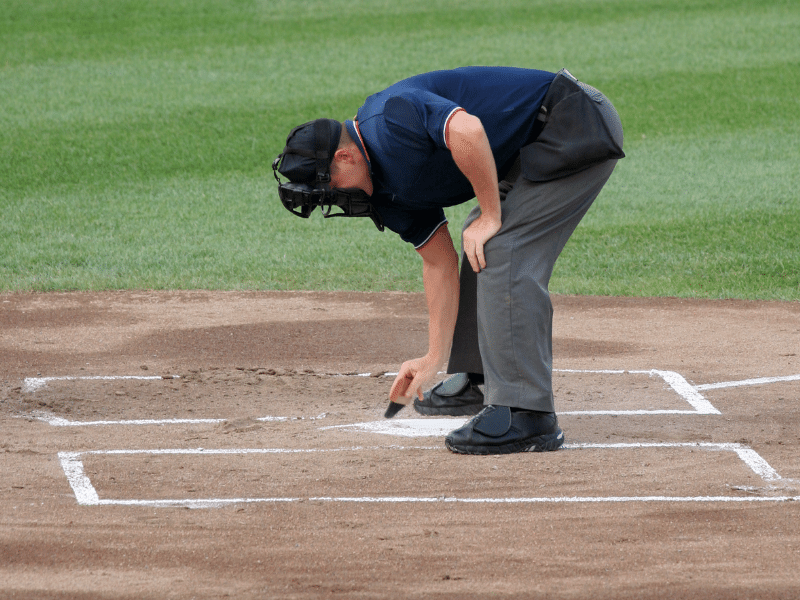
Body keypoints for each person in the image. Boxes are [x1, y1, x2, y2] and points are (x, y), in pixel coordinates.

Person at [273, 67, 624, 455]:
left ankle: (528, 413)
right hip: (530, 146)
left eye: (330, 186)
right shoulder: (382, 191)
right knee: (480, 236)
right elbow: (438, 263)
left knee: (501, 243)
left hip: (571, 121)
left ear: (345, 156)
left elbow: (468, 131)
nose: (334, 198)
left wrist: (493, 214)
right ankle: (478, 377)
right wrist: (432, 357)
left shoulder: (389, 119)